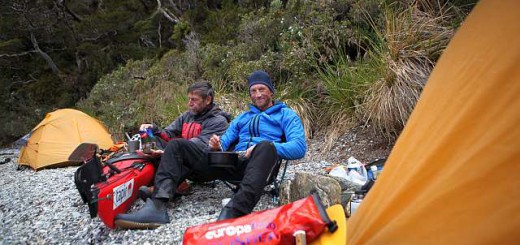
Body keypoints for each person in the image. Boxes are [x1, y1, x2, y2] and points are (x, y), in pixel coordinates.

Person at [114, 81, 231, 229]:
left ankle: (158, 206)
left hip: (206, 168)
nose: (189, 103)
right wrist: (153, 129)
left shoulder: (218, 121)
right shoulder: (187, 116)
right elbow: (167, 134)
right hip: (184, 161)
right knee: (155, 141)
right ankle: (176, 186)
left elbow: (200, 146)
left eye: (194, 100)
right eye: (189, 99)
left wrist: (166, 151)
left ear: (207, 100)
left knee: (176, 145)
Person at [209, 70, 307, 220]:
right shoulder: (242, 117)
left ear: (271, 91)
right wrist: (216, 145)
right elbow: (224, 142)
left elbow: (299, 147)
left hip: (262, 165)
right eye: (253, 91)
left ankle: (235, 211)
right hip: (234, 164)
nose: (258, 95)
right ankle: (162, 199)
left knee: (266, 147)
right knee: (181, 146)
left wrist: (259, 148)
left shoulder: (286, 115)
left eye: (262, 89)